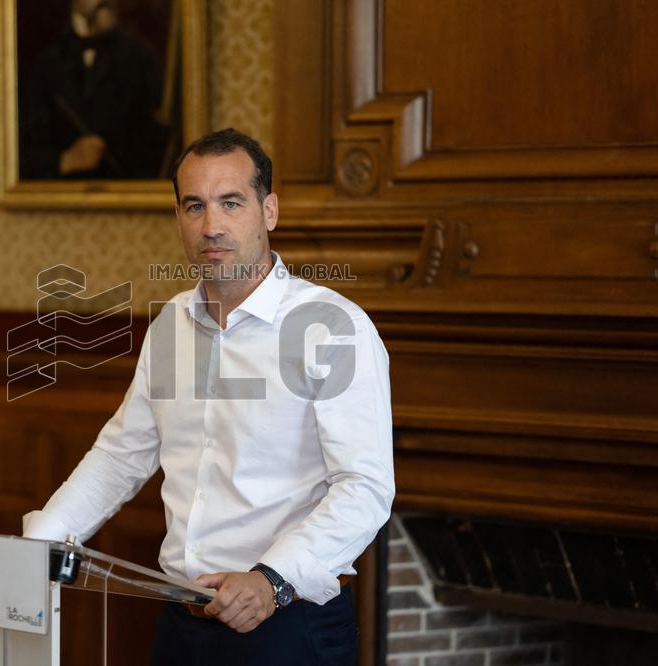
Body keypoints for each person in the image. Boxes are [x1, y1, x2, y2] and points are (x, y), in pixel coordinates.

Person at [22, 128, 395, 665]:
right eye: (194, 206)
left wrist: (273, 580)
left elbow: (365, 487)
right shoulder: (172, 322)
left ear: (269, 212)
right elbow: (121, 456)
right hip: (180, 618)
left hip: (287, 626)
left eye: (231, 203)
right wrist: (41, 541)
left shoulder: (333, 327)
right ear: (178, 217)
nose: (211, 226)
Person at [18, 0, 168, 179]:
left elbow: (159, 144)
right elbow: (23, 151)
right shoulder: (46, 64)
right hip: (59, 199)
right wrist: (65, 161)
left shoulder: (141, 58)